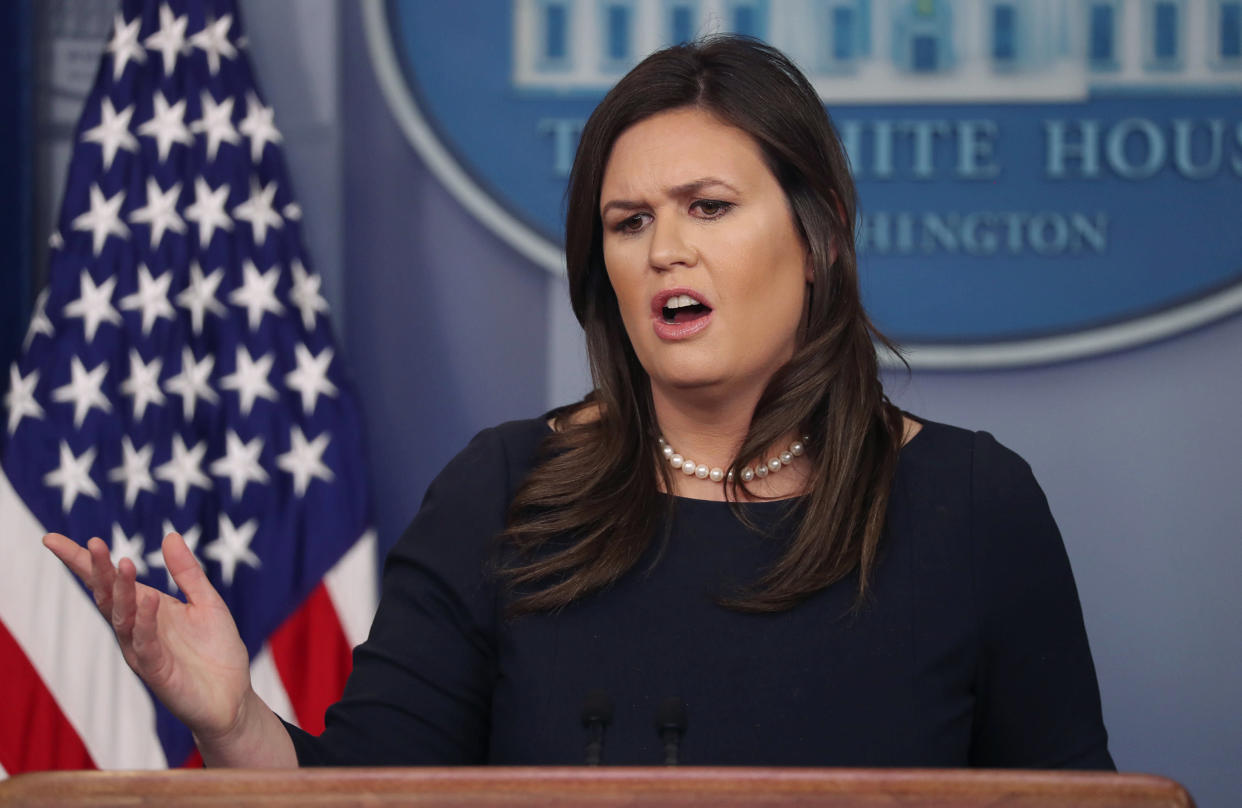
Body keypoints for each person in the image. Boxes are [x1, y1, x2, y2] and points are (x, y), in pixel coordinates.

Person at [44, 35, 1113, 769]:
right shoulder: (505, 490)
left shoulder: (974, 504)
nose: (666, 250)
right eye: (629, 221)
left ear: (820, 234)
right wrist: (233, 721)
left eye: (708, 206)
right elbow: (365, 795)